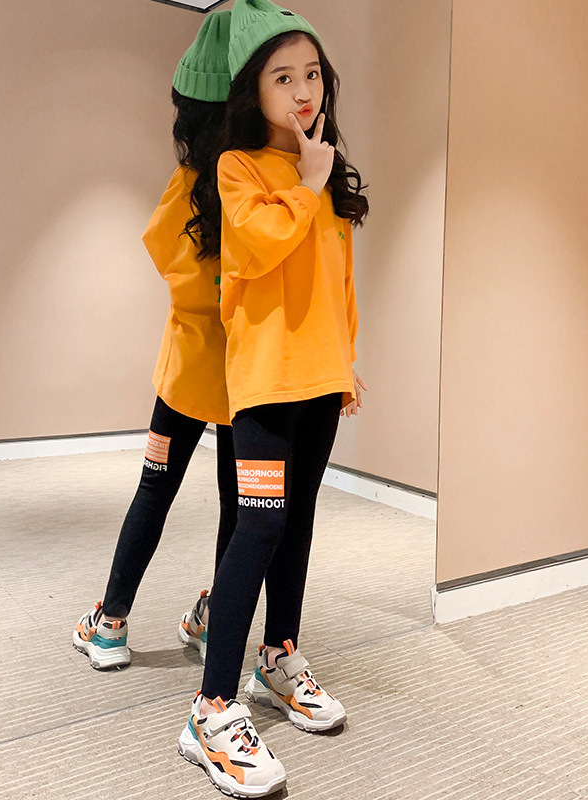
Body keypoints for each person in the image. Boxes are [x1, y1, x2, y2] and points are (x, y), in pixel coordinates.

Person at [177, 1, 369, 795]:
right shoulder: (240, 168)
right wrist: (308, 185)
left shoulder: (325, 169)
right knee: (257, 526)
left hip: (320, 379)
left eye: (311, 74)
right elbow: (255, 249)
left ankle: (279, 656)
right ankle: (211, 710)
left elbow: (337, 282)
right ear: (253, 92)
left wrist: (346, 361)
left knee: (297, 523)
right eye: (282, 77)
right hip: (261, 385)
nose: (302, 91)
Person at [72, 11, 237, 670]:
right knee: (239, 509)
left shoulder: (191, 186)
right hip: (247, 377)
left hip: (186, 374)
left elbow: (164, 254)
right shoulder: (261, 185)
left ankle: (110, 624)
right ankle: (216, 618)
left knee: (154, 488)